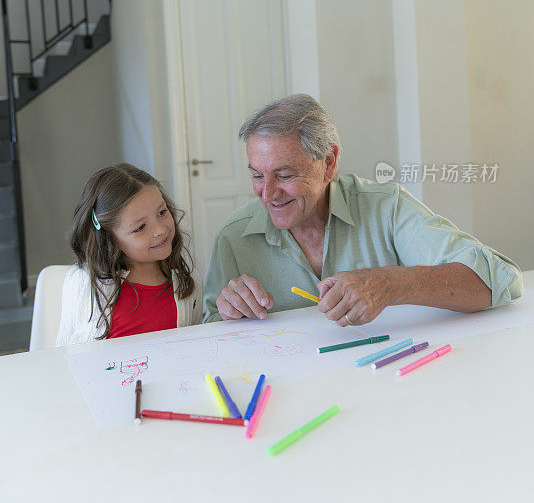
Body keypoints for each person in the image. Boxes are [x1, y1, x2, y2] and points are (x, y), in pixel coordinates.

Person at [204, 94, 523, 326]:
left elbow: (500, 282)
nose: (268, 193)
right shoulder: (235, 236)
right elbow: (208, 331)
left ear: (328, 163)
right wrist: (229, 309)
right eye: (257, 175)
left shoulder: (386, 206)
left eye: (285, 175)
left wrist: (390, 284)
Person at [56, 163, 202, 346]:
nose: (160, 229)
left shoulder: (189, 281)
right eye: (140, 227)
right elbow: (64, 353)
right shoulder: (86, 283)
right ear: (109, 238)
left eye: (162, 212)